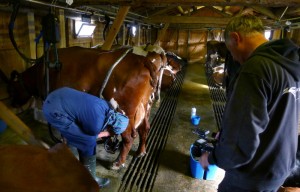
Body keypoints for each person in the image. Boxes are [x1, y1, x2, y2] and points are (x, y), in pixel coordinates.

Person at [199, 14, 300, 191]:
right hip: (280, 167)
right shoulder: (289, 64)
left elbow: (240, 140)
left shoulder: (255, 69)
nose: (235, 59)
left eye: (230, 52)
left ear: (236, 38)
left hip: (253, 173)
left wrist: (212, 157)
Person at [42, 87, 129, 188]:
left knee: (77, 134)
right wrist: (106, 134)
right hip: (54, 112)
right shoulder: (96, 124)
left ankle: (72, 153)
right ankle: (90, 180)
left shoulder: (107, 106)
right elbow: (91, 135)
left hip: (58, 95)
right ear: (111, 128)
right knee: (88, 142)